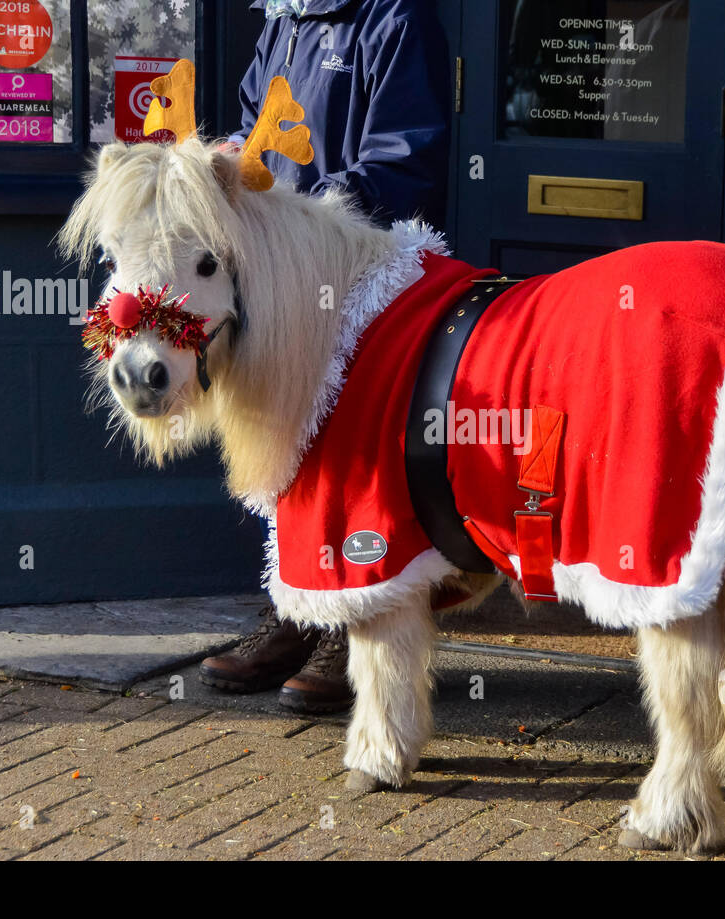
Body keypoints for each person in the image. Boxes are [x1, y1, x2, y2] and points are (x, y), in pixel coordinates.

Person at [199, 0, 452, 714]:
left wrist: (307, 220)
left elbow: (407, 158)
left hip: (365, 269)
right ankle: (297, 609)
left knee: (361, 451)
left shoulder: (396, 20)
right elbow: (255, 139)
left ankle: (360, 622)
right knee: (288, 445)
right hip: (285, 272)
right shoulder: (283, 19)